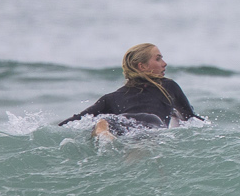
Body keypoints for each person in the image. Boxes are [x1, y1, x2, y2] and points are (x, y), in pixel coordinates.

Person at [58, 43, 200, 139]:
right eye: (158, 59)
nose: (164, 63)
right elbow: (190, 118)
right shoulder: (167, 86)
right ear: (142, 66)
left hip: (118, 122)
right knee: (143, 158)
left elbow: (76, 120)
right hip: (150, 123)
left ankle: (102, 129)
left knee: (110, 125)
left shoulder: (111, 98)